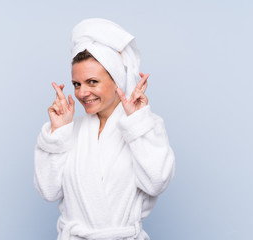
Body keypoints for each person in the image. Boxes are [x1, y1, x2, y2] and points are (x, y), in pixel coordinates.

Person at [34, 18, 175, 240]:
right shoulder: (70, 132)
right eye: (77, 84)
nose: (82, 93)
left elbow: (156, 182)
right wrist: (58, 133)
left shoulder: (144, 128)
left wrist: (137, 121)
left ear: (116, 80)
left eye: (92, 82)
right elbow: (48, 191)